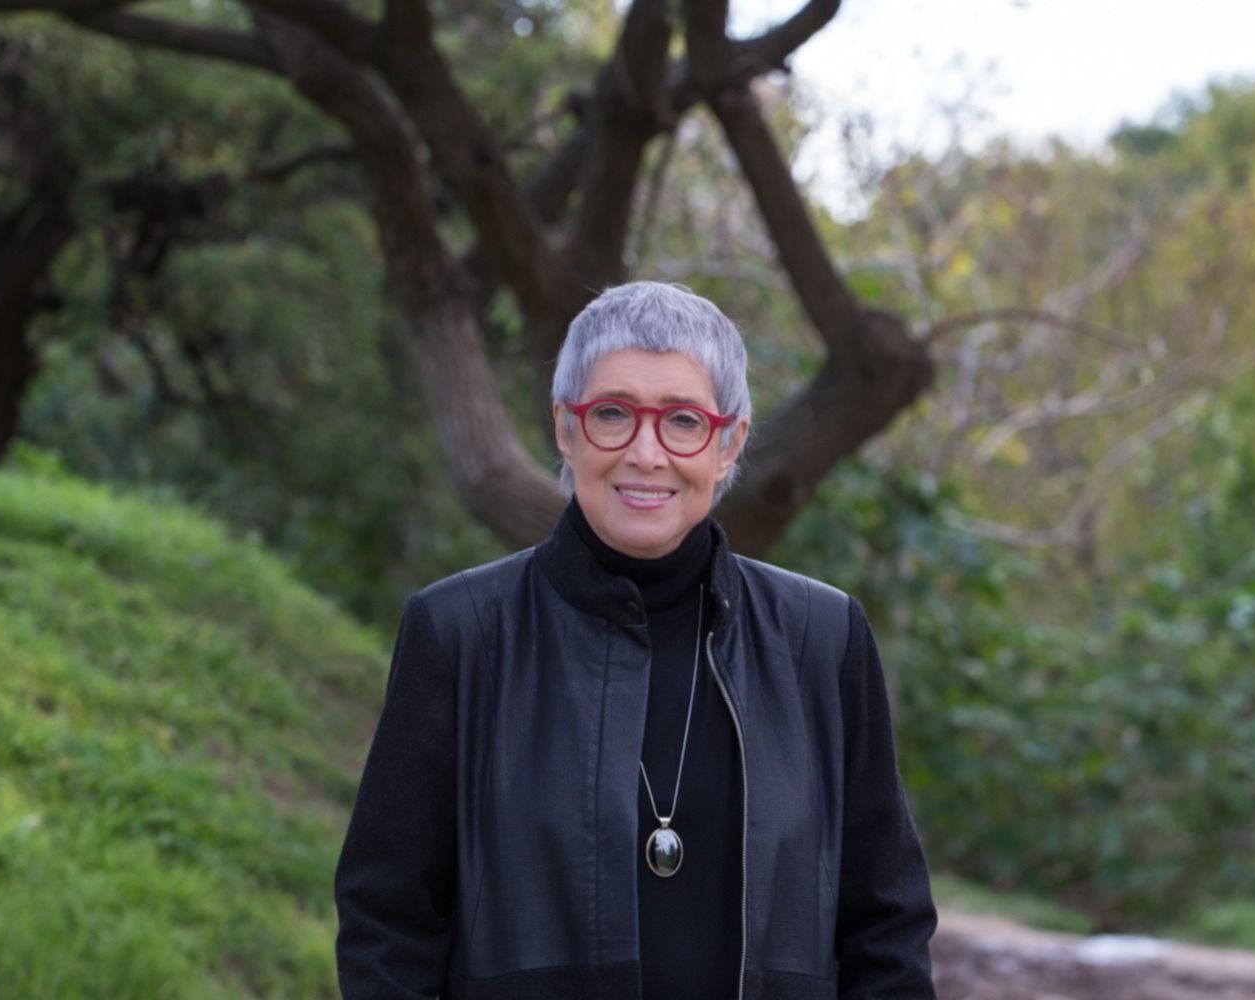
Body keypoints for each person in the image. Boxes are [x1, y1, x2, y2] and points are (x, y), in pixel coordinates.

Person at [334, 281, 938, 999]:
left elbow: (887, 930)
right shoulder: (460, 633)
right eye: (612, 414)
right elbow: (387, 926)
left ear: (728, 443)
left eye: (683, 420)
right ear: (566, 429)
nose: (646, 454)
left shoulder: (823, 639)